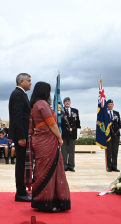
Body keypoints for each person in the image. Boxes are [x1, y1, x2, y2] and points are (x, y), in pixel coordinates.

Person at [27, 81, 71, 212]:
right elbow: (51, 123)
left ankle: (43, 200)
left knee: (42, 169)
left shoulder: (35, 104)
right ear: (45, 92)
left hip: (39, 140)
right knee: (51, 170)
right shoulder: (43, 104)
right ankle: (49, 202)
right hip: (47, 140)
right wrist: (59, 137)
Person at [8, 73, 32, 202]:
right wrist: (21, 137)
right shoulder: (18, 94)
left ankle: (22, 191)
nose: (30, 83)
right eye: (28, 81)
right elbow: (17, 117)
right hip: (20, 135)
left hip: (21, 134)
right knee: (21, 164)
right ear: (21, 81)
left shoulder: (21, 94)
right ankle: (20, 192)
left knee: (22, 163)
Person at [61, 97, 81, 172]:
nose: (67, 102)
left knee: (72, 150)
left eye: (68, 101)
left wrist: (78, 131)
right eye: (66, 101)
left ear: (70, 102)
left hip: (73, 132)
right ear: (63, 103)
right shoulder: (61, 111)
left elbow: (78, 121)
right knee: (64, 150)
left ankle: (71, 166)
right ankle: (64, 165)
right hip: (64, 133)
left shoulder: (75, 111)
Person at [106, 99, 121, 172]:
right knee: (109, 151)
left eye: (111, 104)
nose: (110, 105)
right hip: (108, 134)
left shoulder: (116, 113)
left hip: (116, 134)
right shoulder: (105, 113)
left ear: (113, 105)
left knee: (115, 151)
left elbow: (119, 124)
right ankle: (109, 166)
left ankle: (114, 166)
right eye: (109, 104)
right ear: (107, 105)